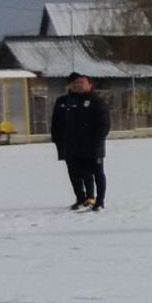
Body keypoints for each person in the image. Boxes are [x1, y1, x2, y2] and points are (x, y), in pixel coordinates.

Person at [49, 72, 111, 212]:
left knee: (96, 172)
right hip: (70, 145)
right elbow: (56, 123)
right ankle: (81, 198)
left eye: (81, 82)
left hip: (92, 145)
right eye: (75, 83)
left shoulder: (96, 101)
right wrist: (57, 139)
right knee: (75, 173)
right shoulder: (63, 101)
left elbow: (104, 124)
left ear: (90, 84)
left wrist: (97, 140)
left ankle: (99, 201)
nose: (78, 85)